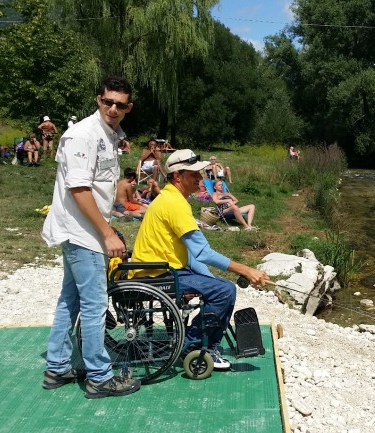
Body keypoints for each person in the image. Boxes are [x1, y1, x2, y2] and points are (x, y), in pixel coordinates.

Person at [41, 76, 141, 399]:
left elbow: (99, 188)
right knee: (95, 304)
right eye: (107, 101)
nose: (113, 108)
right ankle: (99, 375)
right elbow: (79, 189)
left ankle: (56, 366)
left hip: (83, 231)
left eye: (120, 104)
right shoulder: (84, 134)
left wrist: (111, 224)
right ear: (98, 100)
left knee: (70, 300)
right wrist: (107, 233)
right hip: (82, 233)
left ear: (128, 108)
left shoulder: (109, 135)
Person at [129, 149, 271, 369]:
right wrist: (245, 270)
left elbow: (191, 253)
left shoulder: (171, 198)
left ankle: (204, 343)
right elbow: (203, 252)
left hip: (162, 269)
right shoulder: (174, 203)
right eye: (194, 174)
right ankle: (193, 345)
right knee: (224, 291)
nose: (201, 179)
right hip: (157, 274)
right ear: (178, 176)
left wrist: (211, 278)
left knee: (221, 286)